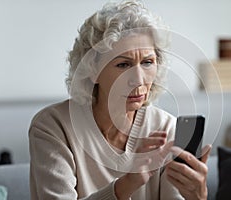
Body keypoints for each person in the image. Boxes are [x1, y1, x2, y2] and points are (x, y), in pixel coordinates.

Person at [28, 0, 211, 199]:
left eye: (148, 62)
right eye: (123, 65)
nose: (139, 80)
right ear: (92, 70)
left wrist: (198, 196)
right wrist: (127, 184)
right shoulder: (53, 126)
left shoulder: (166, 128)